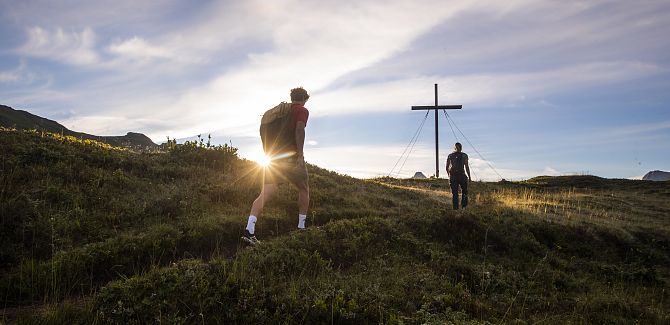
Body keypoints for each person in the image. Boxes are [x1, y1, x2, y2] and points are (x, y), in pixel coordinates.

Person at [243, 87, 310, 244]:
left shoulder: (279, 112)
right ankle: (301, 227)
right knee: (304, 188)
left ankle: (249, 230)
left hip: (273, 159)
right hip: (291, 158)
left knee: (265, 193)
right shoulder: (302, 110)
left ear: (292, 97)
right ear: (305, 99)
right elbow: (300, 130)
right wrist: (300, 155)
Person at [446, 142, 471, 210]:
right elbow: (466, 166)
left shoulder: (450, 155)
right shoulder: (464, 155)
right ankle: (463, 207)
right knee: (464, 192)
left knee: (455, 193)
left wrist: (449, 175)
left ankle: (456, 209)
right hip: (461, 175)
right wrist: (469, 176)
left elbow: (447, 167)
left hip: (454, 176)